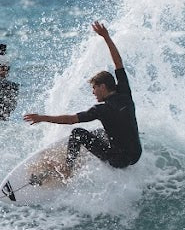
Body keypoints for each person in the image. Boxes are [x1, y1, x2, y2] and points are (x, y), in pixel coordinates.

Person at [24, 21, 141, 175]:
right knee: (100, 131)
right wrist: (106, 37)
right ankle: (91, 150)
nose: (93, 92)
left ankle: (68, 169)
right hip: (136, 154)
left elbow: (71, 119)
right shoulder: (125, 92)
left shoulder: (102, 109)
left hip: (118, 160)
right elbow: (118, 62)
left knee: (78, 133)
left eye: (94, 88)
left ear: (103, 87)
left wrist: (42, 117)